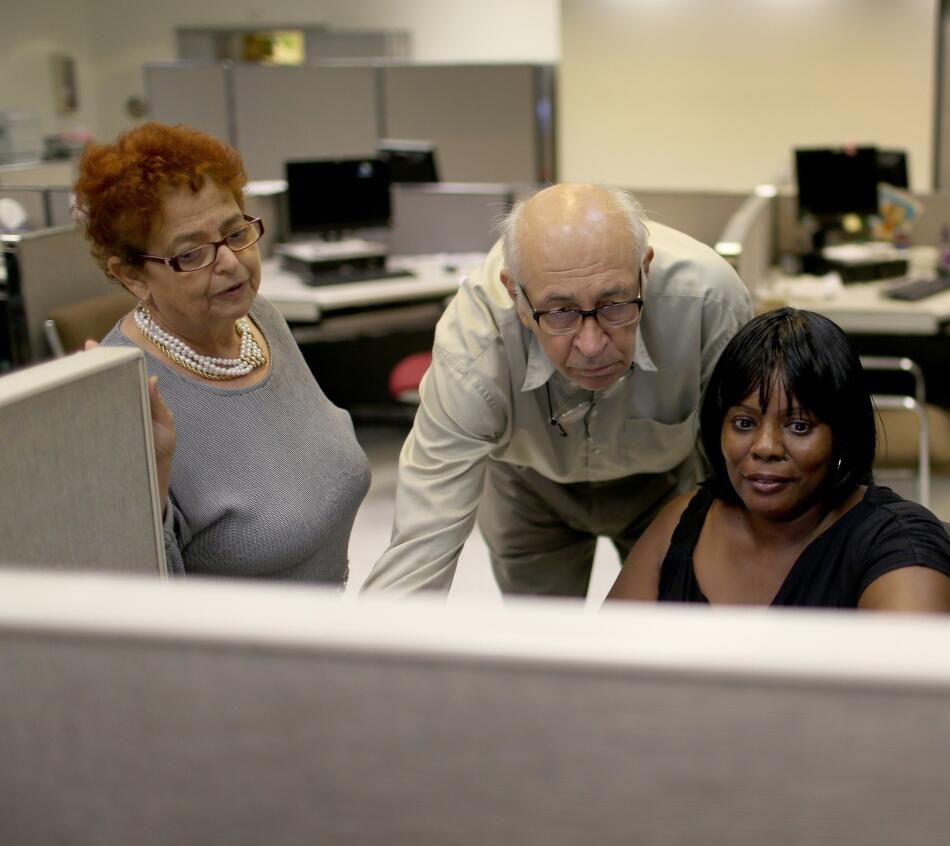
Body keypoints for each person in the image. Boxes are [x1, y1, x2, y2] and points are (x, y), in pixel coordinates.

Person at [364, 183, 753, 596]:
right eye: (560, 311)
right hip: (529, 491)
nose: (591, 345)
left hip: (666, 484)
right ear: (515, 294)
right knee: (543, 640)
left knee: (674, 630)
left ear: (645, 269)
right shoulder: (475, 344)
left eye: (615, 304)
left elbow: (743, 466)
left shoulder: (710, 302)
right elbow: (421, 544)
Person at [75, 122, 370, 583]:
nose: (231, 263)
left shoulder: (258, 318)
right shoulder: (125, 392)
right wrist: (147, 486)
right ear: (134, 277)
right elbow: (135, 606)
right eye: (192, 255)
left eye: (236, 234)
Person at [608, 308, 950, 611]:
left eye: (799, 425)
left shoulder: (899, 545)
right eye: (744, 423)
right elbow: (600, 671)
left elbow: (910, 694)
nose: (765, 447)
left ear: (842, 435)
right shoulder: (684, 522)